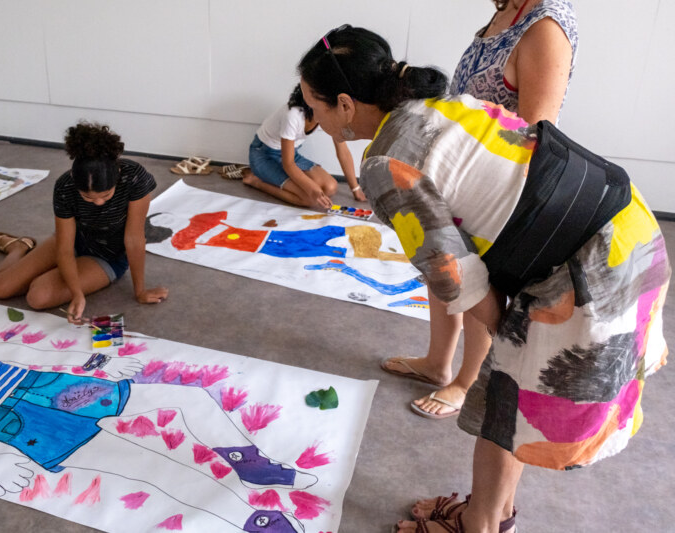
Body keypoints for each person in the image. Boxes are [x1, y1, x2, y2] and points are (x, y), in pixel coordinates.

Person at [297, 25, 669, 532]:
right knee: (506, 402)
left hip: (594, 262)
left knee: (504, 399)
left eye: (313, 107)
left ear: (344, 105)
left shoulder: (384, 162)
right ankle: (489, 516)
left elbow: (456, 277)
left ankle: (480, 525)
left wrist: (509, 339)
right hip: (627, 221)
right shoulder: (435, 105)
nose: (313, 121)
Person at [0, 336, 309, 532]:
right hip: (35, 430)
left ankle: (249, 463)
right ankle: (256, 522)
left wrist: (96, 362)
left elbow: (34, 352)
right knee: (158, 471)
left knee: (189, 398)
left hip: (67, 392)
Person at [383, 0, 579, 422]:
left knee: (477, 283)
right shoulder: (505, 11)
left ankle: (467, 381)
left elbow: (534, 132)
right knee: (442, 267)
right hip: (461, 172)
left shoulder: (546, 24)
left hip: (496, 186)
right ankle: (438, 362)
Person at [0, 122, 168, 322]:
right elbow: (65, 248)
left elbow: (134, 238)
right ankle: (19, 247)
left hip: (108, 257)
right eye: (88, 197)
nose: (98, 203)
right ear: (74, 177)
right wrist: (76, 293)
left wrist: (140, 291)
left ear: (117, 174)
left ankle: (47, 267)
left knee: (37, 297)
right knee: (1, 289)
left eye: (106, 195)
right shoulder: (65, 186)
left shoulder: (134, 177)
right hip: (74, 241)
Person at [238, 84, 365, 209]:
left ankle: (273, 178)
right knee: (309, 199)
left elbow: (343, 152)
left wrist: (355, 189)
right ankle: (255, 181)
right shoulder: (292, 115)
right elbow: (288, 164)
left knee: (330, 187)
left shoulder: (328, 113)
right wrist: (314, 190)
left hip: (291, 154)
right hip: (264, 155)